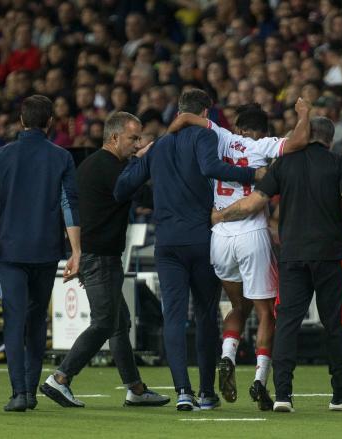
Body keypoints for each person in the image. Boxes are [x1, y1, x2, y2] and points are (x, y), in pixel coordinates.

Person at [212, 117, 342, 413]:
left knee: (287, 323)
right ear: (330, 138)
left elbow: (251, 204)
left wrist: (219, 216)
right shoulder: (339, 163)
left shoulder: (283, 165)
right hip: (330, 255)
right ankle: (340, 393)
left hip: (291, 256)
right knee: (334, 324)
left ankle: (283, 395)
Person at [114, 89, 261, 411]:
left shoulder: (159, 146)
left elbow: (123, 188)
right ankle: (207, 393)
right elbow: (210, 168)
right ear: (205, 114)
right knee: (206, 315)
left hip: (166, 243)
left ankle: (183, 391)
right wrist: (254, 174)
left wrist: (141, 158)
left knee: (174, 317)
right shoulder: (202, 137)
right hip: (200, 239)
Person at [166, 99, 311, 411]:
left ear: (239, 127)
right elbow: (300, 140)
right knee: (264, 312)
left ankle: (227, 356)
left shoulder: (221, 137)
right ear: (261, 131)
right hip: (252, 234)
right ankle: (260, 378)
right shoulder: (263, 145)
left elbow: (187, 117)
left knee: (236, 306)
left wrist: (170, 133)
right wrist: (304, 112)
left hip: (219, 236)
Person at [39, 112, 169, 409]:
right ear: (114, 138)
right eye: (133, 138)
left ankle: (135, 388)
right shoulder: (108, 168)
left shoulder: (97, 165)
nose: (137, 144)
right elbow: (136, 185)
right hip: (99, 256)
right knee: (105, 322)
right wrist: (149, 159)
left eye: (139, 139)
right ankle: (60, 378)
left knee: (119, 322)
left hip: (97, 254)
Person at [0, 95, 81, 412]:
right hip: (46, 249)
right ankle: (30, 388)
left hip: (11, 250)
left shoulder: (4, 155)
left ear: (21, 121)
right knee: (36, 319)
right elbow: (70, 205)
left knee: (13, 320)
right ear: (50, 122)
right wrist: (76, 251)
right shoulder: (61, 158)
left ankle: (19, 394)